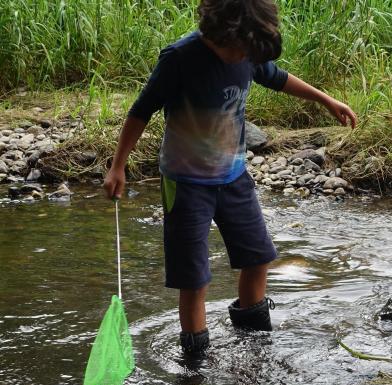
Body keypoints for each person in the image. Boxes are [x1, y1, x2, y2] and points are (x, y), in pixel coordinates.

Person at [102, 0, 357, 357]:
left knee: (257, 258)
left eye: (248, 54)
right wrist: (118, 166)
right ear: (217, 33)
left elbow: (277, 77)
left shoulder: (248, 51)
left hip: (234, 177)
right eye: (236, 51)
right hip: (186, 183)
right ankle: (195, 362)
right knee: (193, 278)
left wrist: (326, 100)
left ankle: (254, 346)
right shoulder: (180, 58)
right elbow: (140, 110)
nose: (243, 59)